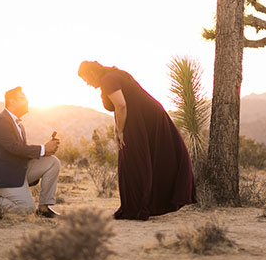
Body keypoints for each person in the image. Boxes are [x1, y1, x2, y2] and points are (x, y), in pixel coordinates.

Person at [76, 61, 196, 219]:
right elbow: (122, 107)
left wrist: (120, 131)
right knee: (138, 159)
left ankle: (137, 208)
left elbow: (121, 106)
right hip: (145, 117)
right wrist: (117, 127)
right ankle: (141, 206)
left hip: (144, 119)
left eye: (86, 78)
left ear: (92, 72)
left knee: (132, 160)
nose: (87, 83)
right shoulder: (114, 75)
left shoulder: (108, 79)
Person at [0, 86, 63, 217]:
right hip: (5, 177)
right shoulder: (0, 121)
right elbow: (14, 148)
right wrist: (43, 148)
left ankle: (44, 208)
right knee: (27, 209)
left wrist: (46, 151)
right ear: (12, 101)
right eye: (23, 98)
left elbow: (21, 151)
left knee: (52, 162)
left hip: (18, 171)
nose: (27, 101)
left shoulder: (18, 124)